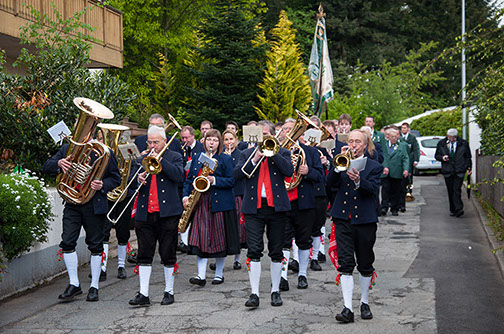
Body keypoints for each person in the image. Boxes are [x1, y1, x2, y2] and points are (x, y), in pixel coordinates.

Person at [43, 129, 121, 302]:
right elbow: (46, 165)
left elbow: (116, 178)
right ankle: (74, 284)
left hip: (94, 204)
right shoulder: (67, 150)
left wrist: (102, 185)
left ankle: (94, 286)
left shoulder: (104, 152)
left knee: (95, 245)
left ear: (93, 132)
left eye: (88, 128)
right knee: (68, 242)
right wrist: (59, 164)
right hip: (72, 203)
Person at [233, 120, 294, 308]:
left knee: (276, 250)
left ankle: (275, 290)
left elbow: (289, 171)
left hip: (277, 208)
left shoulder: (282, 152)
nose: (264, 137)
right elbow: (237, 175)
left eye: (267, 134)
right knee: (254, 249)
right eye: (261, 134)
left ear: (273, 135)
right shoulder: (246, 153)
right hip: (254, 207)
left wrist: (273, 153)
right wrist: (255, 157)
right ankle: (254, 293)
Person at [326, 129, 383, 323]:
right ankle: (347, 308)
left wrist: (359, 180)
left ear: (365, 145)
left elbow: (374, 190)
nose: (353, 145)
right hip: (343, 218)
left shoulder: (374, 166)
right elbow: (329, 184)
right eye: (350, 141)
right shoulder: (340, 161)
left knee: (365, 262)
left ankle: (364, 303)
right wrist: (336, 166)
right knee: (346, 263)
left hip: (365, 220)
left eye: (357, 142)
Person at [128, 126, 185, 306]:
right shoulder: (140, 159)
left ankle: (169, 291)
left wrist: (159, 161)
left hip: (168, 213)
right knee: (144, 253)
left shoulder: (174, 156)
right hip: (145, 213)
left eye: (156, 142)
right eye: (149, 142)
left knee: (168, 252)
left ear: (164, 142)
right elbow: (129, 182)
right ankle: (143, 294)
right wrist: (138, 179)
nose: (152, 145)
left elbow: (179, 176)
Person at [183, 129, 239, 286]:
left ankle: (218, 274)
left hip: (219, 203)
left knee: (219, 240)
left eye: (215, 140)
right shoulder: (197, 158)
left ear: (219, 143)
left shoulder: (225, 159)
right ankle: (201, 276)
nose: (212, 143)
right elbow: (189, 180)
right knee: (199, 239)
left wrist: (214, 180)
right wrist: (185, 196)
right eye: (209, 140)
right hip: (200, 202)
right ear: (204, 141)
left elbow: (232, 181)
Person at [280, 130, 324, 291]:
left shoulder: (310, 152)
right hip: (283, 202)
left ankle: (302, 274)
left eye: (293, 130)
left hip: (304, 203)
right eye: (286, 130)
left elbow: (320, 175)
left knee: (304, 240)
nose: (289, 133)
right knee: (283, 241)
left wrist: (308, 172)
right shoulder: (277, 151)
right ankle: (282, 276)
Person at [435, 128, 472, 217]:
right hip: (448, 170)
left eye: (453, 138)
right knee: (450, 190)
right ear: (447, 136)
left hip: (459, 170)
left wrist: (469, 167)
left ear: (456, 137)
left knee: (456, 189)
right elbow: (437, 155)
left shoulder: (463, 143)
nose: (452, 139)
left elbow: (468, 156)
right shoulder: (442, 143)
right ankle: (453, 209)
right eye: (450, 137)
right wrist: (442, 158)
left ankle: (459, 208)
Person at [223, 130, 247, 268]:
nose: (229, 142)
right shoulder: (220, 155)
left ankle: (237, 259)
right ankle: (220, 257)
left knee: (238, 227)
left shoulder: (240, 155)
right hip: (224, 194)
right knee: (223, 226)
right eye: (226, 139)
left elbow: (239, 174)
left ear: (236, 140)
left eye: (231, 139)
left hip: (237, 193)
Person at [380, 128, 410, 216]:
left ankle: (395, 208)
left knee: (396, 191)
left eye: (396, 137)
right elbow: (383, 157)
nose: (394, 139)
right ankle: (384, 207)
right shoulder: (384, 145)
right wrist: (384, 166)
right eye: (392, 137)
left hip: (397, 171)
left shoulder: (402, 146)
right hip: (386, 172)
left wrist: (406, 169)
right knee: (385, 191)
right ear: (388, 137)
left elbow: (405, 158)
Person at [399, 122, 420, 212]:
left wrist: (416, 160)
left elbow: (416, 149)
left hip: (410, 160)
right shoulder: (399, 137)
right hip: (401, 161)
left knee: (409, 177)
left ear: (408, 129)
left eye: (405, 128)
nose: (403, 130)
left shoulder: (412, 138)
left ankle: (409, 192)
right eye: (402, 128)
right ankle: (402, 192)